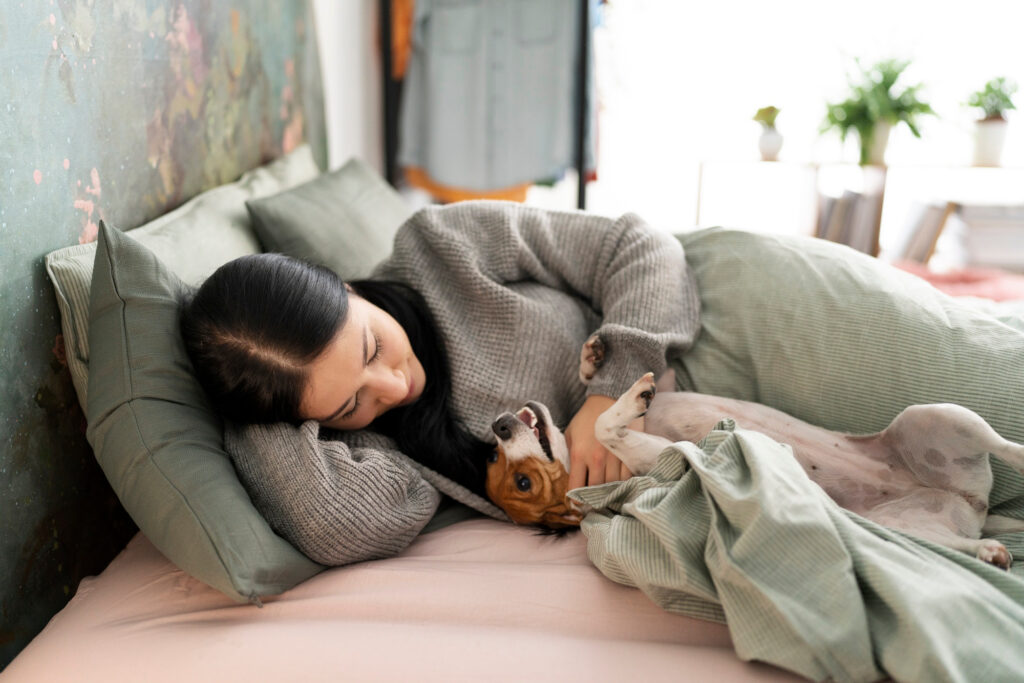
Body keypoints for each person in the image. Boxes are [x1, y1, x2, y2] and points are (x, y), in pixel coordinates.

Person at [180, 200, 701, 564]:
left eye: (373, 348)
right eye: (349, 403)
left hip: (714, 321)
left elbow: (640, 246)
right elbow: (330, 523)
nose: (394, 386)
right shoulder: (370, 446)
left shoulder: (439, 246)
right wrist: (254, 410)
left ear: (346, 285)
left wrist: (605, 394)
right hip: (700, 436)